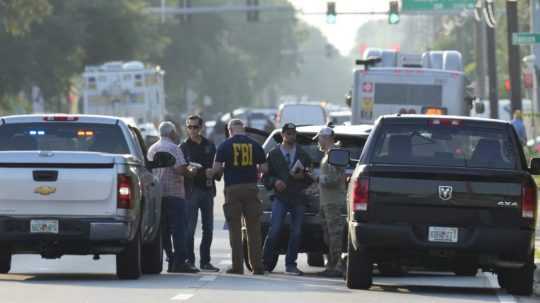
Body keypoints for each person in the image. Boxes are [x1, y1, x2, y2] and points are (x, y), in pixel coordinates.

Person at [210, 119, 266, 275]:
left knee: (234, 229)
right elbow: (264, 168)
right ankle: (257, 266)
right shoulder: (255, 145)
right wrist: (256, 175)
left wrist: (218, 173)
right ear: (243, 130)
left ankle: (237, 266)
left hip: (232, 189)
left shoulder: (224, 145)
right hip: (251, 188)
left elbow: (216, 169)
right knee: (254, 229)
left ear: (229, 130)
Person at [262, 123, 313, 276]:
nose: (292, 136)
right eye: (289, 133)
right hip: (280, 197)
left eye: (293, 133)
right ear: (283, 135)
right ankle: (265, 263)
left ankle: (291, 264)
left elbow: (310, 177)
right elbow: (265, 176)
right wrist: (274, 182)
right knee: (275, 229)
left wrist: (303, 176)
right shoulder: (273, 154)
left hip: (298, 197)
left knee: (296, 232)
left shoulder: (303, 155)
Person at [147, 121, 198, 273]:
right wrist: (192, 171)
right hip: (175, 194)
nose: (176, 134)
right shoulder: (174, 148)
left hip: (158, 195)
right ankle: (180, 262)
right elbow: (181, 170)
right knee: (179, 229)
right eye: (175, 131)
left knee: (164, 230)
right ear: (171, 133)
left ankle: (170, 259)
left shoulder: (152, 148)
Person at [180, 115, 219, 272]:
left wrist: (215, 172)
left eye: (195, 127)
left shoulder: (209, 145)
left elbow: (218, 165)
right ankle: (190, 260)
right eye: (189, 127)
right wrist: (190, 171)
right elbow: (181, 168)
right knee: (189, 228)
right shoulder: (183, 147)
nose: (192, 130)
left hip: (207, 189)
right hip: (191, 190)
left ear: (201, 128)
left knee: (208, 228)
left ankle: (205, 261)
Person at [314, 126, 347, 278]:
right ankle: (332, 264)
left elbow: (334, 179)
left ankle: (337, 265)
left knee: (335, 235)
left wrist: (318, 178)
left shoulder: (335, 154)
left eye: (320, 138)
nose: (319, 141)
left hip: (333, 202)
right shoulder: (328, 154)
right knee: (329, 235)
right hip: (326, 201)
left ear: (326, 138)